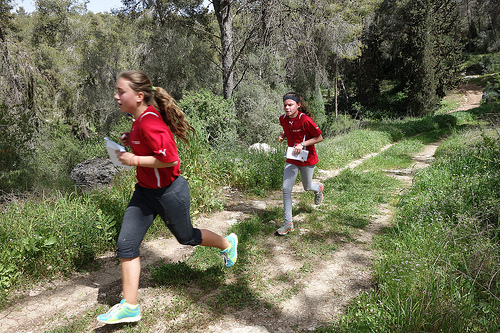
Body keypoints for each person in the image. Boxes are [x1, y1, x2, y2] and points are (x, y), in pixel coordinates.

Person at [97, 70, 238, 324]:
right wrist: (131, 140)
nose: (116, 96)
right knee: (126, 244)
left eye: (121, 92)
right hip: (144, 194)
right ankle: (130, 306)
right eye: (116, 91)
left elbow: (171, 158)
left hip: (170, 193)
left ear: (139, 96)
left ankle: (227, 243)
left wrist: (134, 159)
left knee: (187, 237)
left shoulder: (150, 121)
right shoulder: (137, 119)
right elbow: (149, 145)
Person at [277, 92, 324, 236]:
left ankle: (318, 188)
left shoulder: (305, 120)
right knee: (286, 188)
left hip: (307, 158)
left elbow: (319, 137)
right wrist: (282, 136)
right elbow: (287, 129)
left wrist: (302, 144)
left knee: (307, 186)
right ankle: (288, 223)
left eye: (290, 105)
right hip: (292, 158)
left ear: (298, 105)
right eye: (285, 105)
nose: (287, 108)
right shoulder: (283, 119)